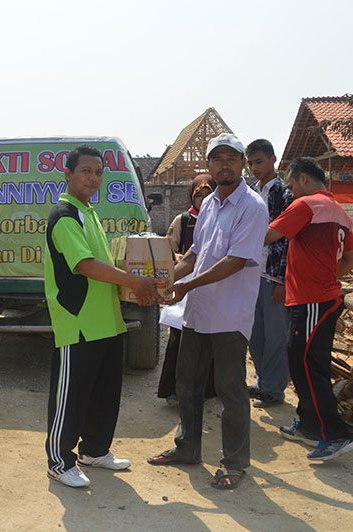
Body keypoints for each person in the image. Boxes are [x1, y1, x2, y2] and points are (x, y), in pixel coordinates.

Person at [148, 134, 268, 490]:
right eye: (218, 159)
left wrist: (185, 286)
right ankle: (187, 447)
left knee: (231, 390)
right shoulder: (210, 205)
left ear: (242, 164)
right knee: (187, 383)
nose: (224, 164)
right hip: (198, 313)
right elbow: (194, 254)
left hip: (229, 316)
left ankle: (234, 462)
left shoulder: (253, 206)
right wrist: (167, 278)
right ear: (209, 166)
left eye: (232, 158)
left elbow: (236, 261)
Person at [44, 144, 162, 488]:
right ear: (68, 174)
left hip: (107, 320)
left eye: (98, 172)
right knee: (72, 395)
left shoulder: (88, 213)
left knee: (105, 390)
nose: (93, 178)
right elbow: (83, 265)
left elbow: (106, 263)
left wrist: (133, 281)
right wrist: (134, 281)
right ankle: (58, 460)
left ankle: (94, 450)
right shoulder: (64, 215)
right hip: (78, 321)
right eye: (86, 171)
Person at [265, 157, 353, 461]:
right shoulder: (341, 212)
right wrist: (327, 276)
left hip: (313, 299)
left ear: (303, 179)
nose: (290, 192)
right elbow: (348, 260)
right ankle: (309, 423)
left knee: (307, 365)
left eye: (290, 185)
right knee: (302, 360)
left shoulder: (306, 206)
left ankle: (337, 433)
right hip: (322, 297)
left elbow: (268, 236)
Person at [158, 174, 217, 405]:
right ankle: (173, 390)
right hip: (184, 285)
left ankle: (207, 389)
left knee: (209, 338)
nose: (203, 200)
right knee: (178, 337)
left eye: (208, 195)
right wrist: (176, 258)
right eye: (198, 195)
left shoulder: (222, 218)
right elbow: (168, 247)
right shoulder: (183, 220)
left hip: (212, 285)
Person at [246, 139, 291, 408]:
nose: (254, 167)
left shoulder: (284, 194)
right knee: (255, 334)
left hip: (273, 275)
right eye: (250, 163)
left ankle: (274, 390)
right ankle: (264, 382)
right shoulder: (251, 192)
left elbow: (287, 239)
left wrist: (283, 278)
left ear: (273, 159)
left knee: (276, 334)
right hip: (250, 273)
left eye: (259, 161)